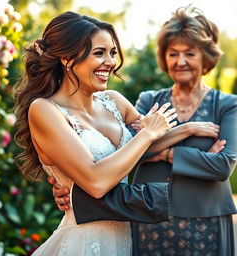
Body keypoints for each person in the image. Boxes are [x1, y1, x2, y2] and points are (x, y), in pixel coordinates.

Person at [51, 6, 237, 256]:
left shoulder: (227, 105)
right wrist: (188, 146)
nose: (180, 61)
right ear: (164, 57)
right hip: (148, 220)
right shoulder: (149, 101)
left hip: (206, 219)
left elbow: (223, 165)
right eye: (173, 54)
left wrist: (163, 153)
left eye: (190, 53)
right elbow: (126, 151)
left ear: (206, 57)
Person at [14, 10, 183, 256]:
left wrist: (190, 128)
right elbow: (96, 182)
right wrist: (148, 133)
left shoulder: (114, 100)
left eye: (112, 53)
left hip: (122, 239)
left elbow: (149, 145)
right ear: (67, 58)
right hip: (82, 242)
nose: (111, 62)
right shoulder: (44, 110)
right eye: (99, 53)